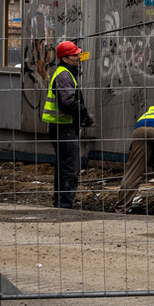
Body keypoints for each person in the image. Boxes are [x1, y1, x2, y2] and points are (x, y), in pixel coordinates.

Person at [42, 40, 91, 208]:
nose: (78, 57)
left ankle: (61, 202)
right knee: (70, 167)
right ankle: (64, 204)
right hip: (63, 127)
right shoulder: (64, 75)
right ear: (65, 58)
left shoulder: (65, 72)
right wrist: (83, 111)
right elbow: (66, 102)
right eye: (74, 55)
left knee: (64, 166)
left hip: (61, 126)